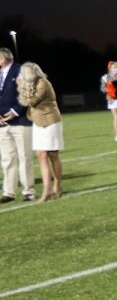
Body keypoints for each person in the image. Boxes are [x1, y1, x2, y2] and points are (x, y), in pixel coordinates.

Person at [16, 63, 63, 202]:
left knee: (53, 155)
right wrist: (23, 85)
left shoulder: (43, 83)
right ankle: (47, 190)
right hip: (37, 122)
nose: (22, 76)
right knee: (41, 155)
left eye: (23, 73)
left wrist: (20, 86)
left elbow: (31, 101)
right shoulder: (32, 84)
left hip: (50, 122)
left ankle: (57, 186)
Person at [0, 47, 36, 202]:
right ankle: (9, 192)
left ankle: (28, 191)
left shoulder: (20, 70)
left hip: (20, 121)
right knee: (7, 159)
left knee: (25, 157)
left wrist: (15, 111)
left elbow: (28, 92)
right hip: (2, 123)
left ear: (3, 58)